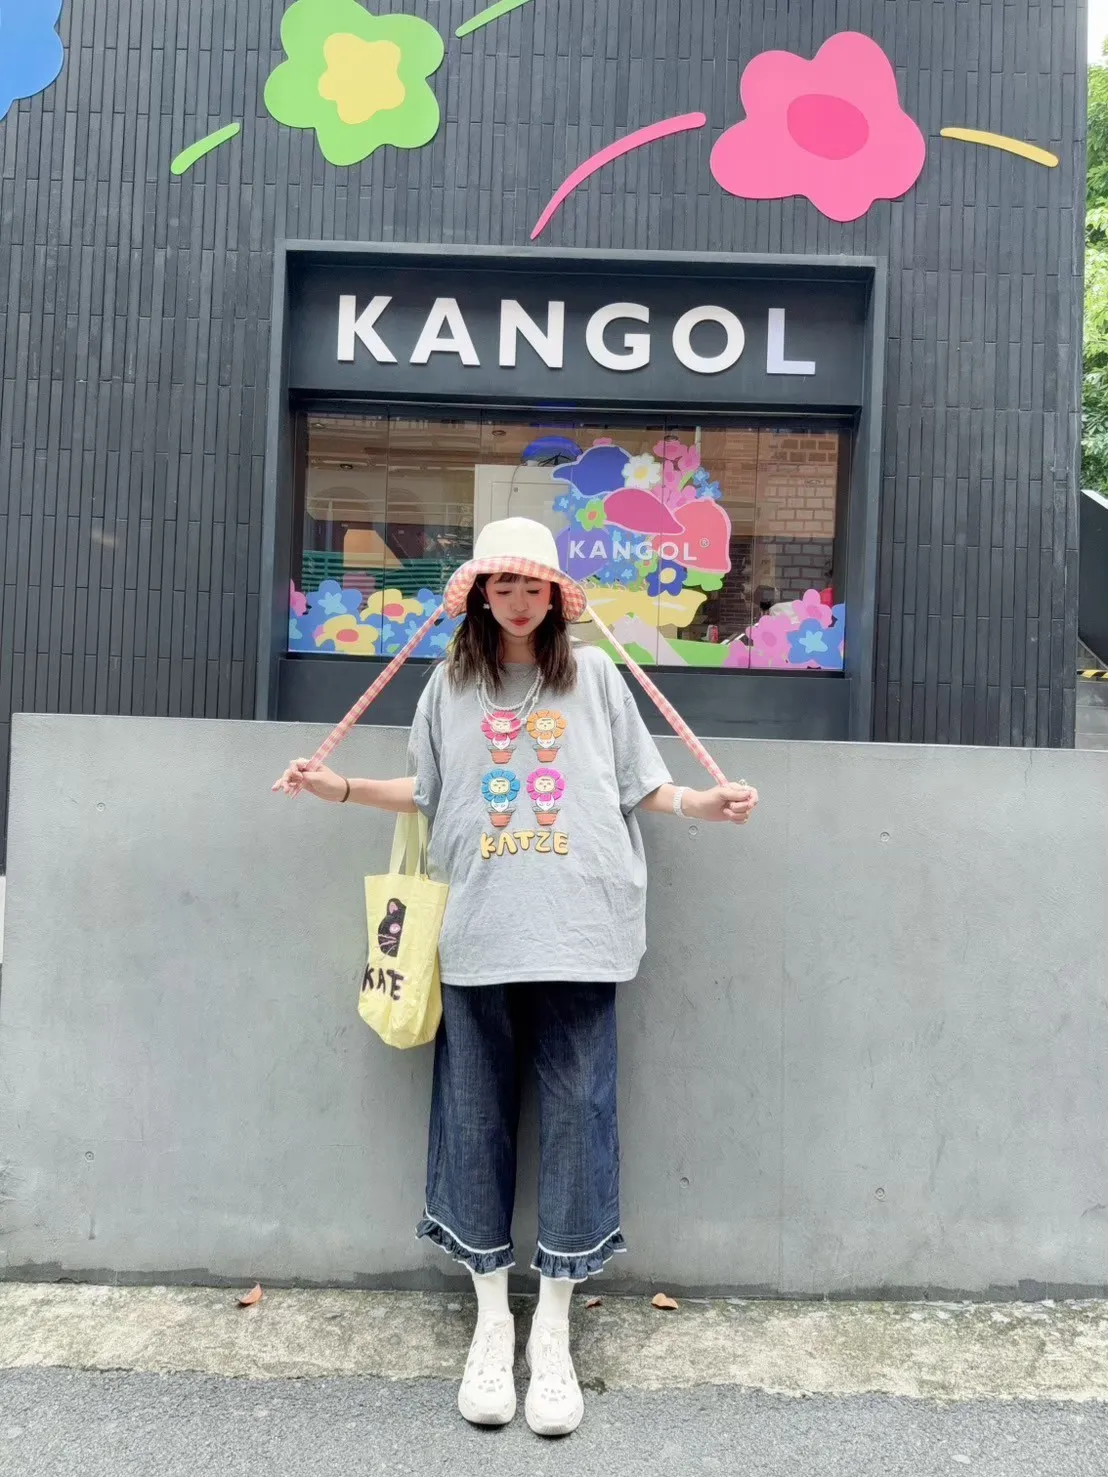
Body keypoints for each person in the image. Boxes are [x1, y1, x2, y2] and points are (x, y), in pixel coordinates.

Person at [276, 518, 758, 1437]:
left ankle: (555, 1332)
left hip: (581, 933)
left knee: (578, 1124)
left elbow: (643, 786)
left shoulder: (598, 677)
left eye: (533, 583)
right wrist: (336, 787)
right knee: (473, 1123)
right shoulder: (449, 684)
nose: (519, 598)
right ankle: (492, 1321)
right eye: (503, 582)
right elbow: (426, 791)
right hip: (476, 935)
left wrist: (704, 802)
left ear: (554, 595)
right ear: (480, 592)